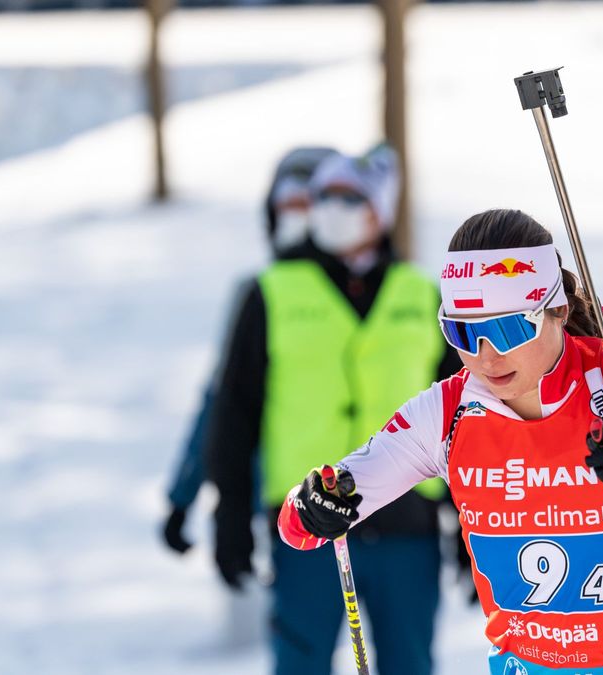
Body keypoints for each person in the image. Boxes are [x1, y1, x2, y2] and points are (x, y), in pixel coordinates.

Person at [277, 208, 603, 675]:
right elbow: (299, 526)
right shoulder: (445, 414)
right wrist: (315, 505)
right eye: (462, 332)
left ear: (556, 310)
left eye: (509, 329)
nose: (486, 357)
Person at [205, 143, 460, 675]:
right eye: (322, 197)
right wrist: (229, 514)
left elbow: (462, 415)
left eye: (349, 198)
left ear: (378, 211)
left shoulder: (422, 294)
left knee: (410, 664)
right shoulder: (271, 292)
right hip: (304, 523)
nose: (331, 210)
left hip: (407, 525)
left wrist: (469, 524)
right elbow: (234, 413)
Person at [160, 146, 337, 559]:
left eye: (309, 204)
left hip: (378, 517)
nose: (298, 218)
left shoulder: (377, 294)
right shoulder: (259, 295)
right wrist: (185, 497)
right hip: (278, 514)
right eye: (288, 205)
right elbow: (223, 404)